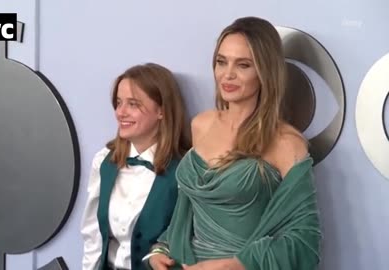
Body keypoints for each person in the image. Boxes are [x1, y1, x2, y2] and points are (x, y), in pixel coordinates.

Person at [147, 16, 321, 270]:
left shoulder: (286, 142)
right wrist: (161, 248)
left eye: (243, 65)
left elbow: (305, 241)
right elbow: (188, 211)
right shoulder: (200, 125)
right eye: (221, 62)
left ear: (265, 71)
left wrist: (231, 265)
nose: (227, 75)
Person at [81, 63, 192, 270]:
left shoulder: (185, 170)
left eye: (133, 104)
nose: (120, 112)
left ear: (161, 111)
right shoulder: (104, 161)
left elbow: (187, 241)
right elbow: (93, 235)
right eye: (118, 102)